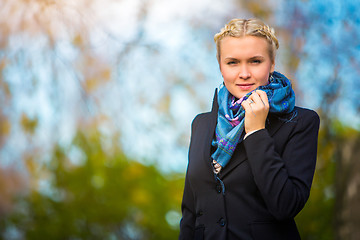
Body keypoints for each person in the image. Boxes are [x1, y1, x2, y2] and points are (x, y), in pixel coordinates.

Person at [179, 18, 320, 240]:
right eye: (232, 62)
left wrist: (256, 132)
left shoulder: (301, 122)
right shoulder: (202, 124)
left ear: (272, 64)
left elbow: (286, 205)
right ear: (220, 65)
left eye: (255, 61)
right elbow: (190, 213)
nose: (244, 73)